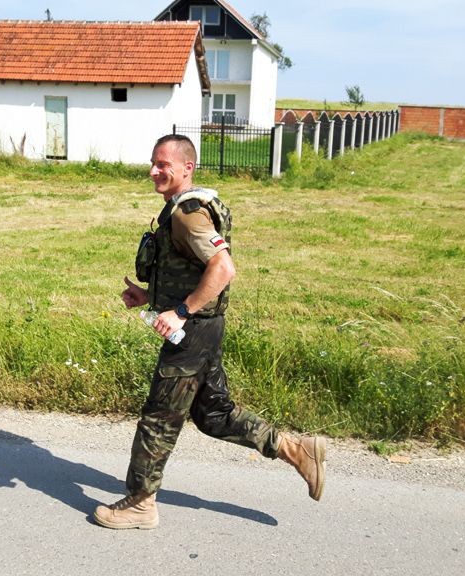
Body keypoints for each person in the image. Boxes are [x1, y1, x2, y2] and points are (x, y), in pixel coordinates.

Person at [93, 134, 327, 530]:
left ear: (187, 167)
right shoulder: (186, 208)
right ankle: (294, 448)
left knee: (159, 419)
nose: (154, 171)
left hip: (193, 333)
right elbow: (196, 272)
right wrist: (150, 295)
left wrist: (182, 311)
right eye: (153, 163)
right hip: (205, 329)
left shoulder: (187, 214)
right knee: (213, 413)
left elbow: (223, 268)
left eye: (163, 165)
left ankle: (140, 503)